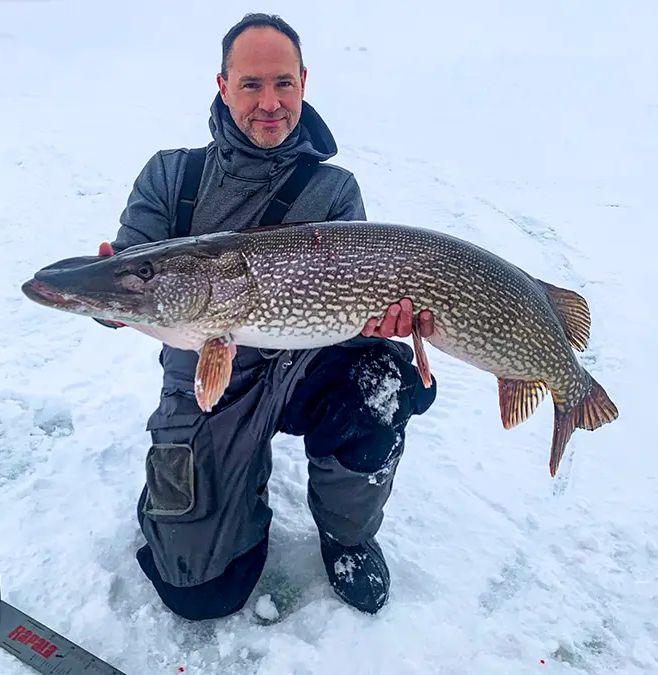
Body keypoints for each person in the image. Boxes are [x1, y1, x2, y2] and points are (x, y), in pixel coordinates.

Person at [93, 12, 437, 620]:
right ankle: (230, 487)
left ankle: (347, 535)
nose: (270, 102)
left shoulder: (333, 189)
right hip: (208, 372)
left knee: (378, 387)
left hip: (307, 359)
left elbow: (353, 300)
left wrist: (383, 328)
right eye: (251, 84)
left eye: (283, 83)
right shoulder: (171, 176)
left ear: (303, 82)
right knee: (198, 592)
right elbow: (133, 269)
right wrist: (105, 300)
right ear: (223, 87)